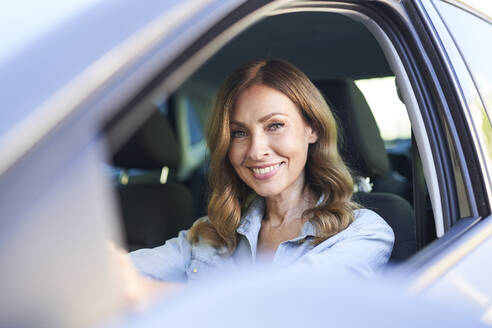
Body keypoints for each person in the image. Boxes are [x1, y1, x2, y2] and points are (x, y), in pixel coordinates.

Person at [122, 59, 394, 302]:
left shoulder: (364, 233)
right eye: (239, 133)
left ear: (311, 128)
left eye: (274, 125)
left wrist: (146, 292)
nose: (255, 150)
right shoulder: (211, 232)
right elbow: (116, 277)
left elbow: (273, 308)